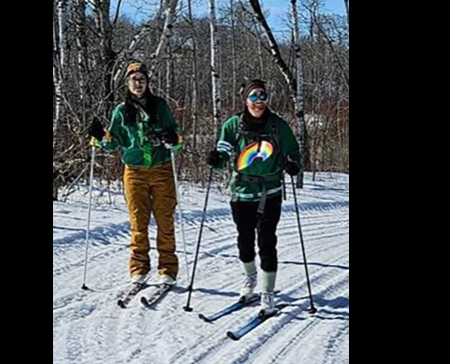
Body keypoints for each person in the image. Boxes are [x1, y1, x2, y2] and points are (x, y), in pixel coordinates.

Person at [206, 79, 302, 315]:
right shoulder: (233, 125)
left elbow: (293, 152)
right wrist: (216, 160)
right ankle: (250, 279)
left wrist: (293, 164)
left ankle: (268, 293)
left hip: (270, 191)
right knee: (244, 240)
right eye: (254, 97)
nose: (258, 101)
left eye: (262, 96)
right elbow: (224, 152)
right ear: (246, 99)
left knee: (267, 242)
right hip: (242, 192)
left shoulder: (278, 126)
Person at [88, 62, 184, 289]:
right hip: (135, 172)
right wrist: (100, 136)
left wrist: (173, 138)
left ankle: (167, 269)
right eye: (134, 80)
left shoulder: (160, 106)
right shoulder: (121, 111)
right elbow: (113, 143)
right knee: (138, 223)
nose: (138, 83)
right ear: (127, 83)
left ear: (147, 82)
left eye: (142, 79)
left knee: (165, 221)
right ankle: (139, 268)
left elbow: (177, 137)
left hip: (161, 169)